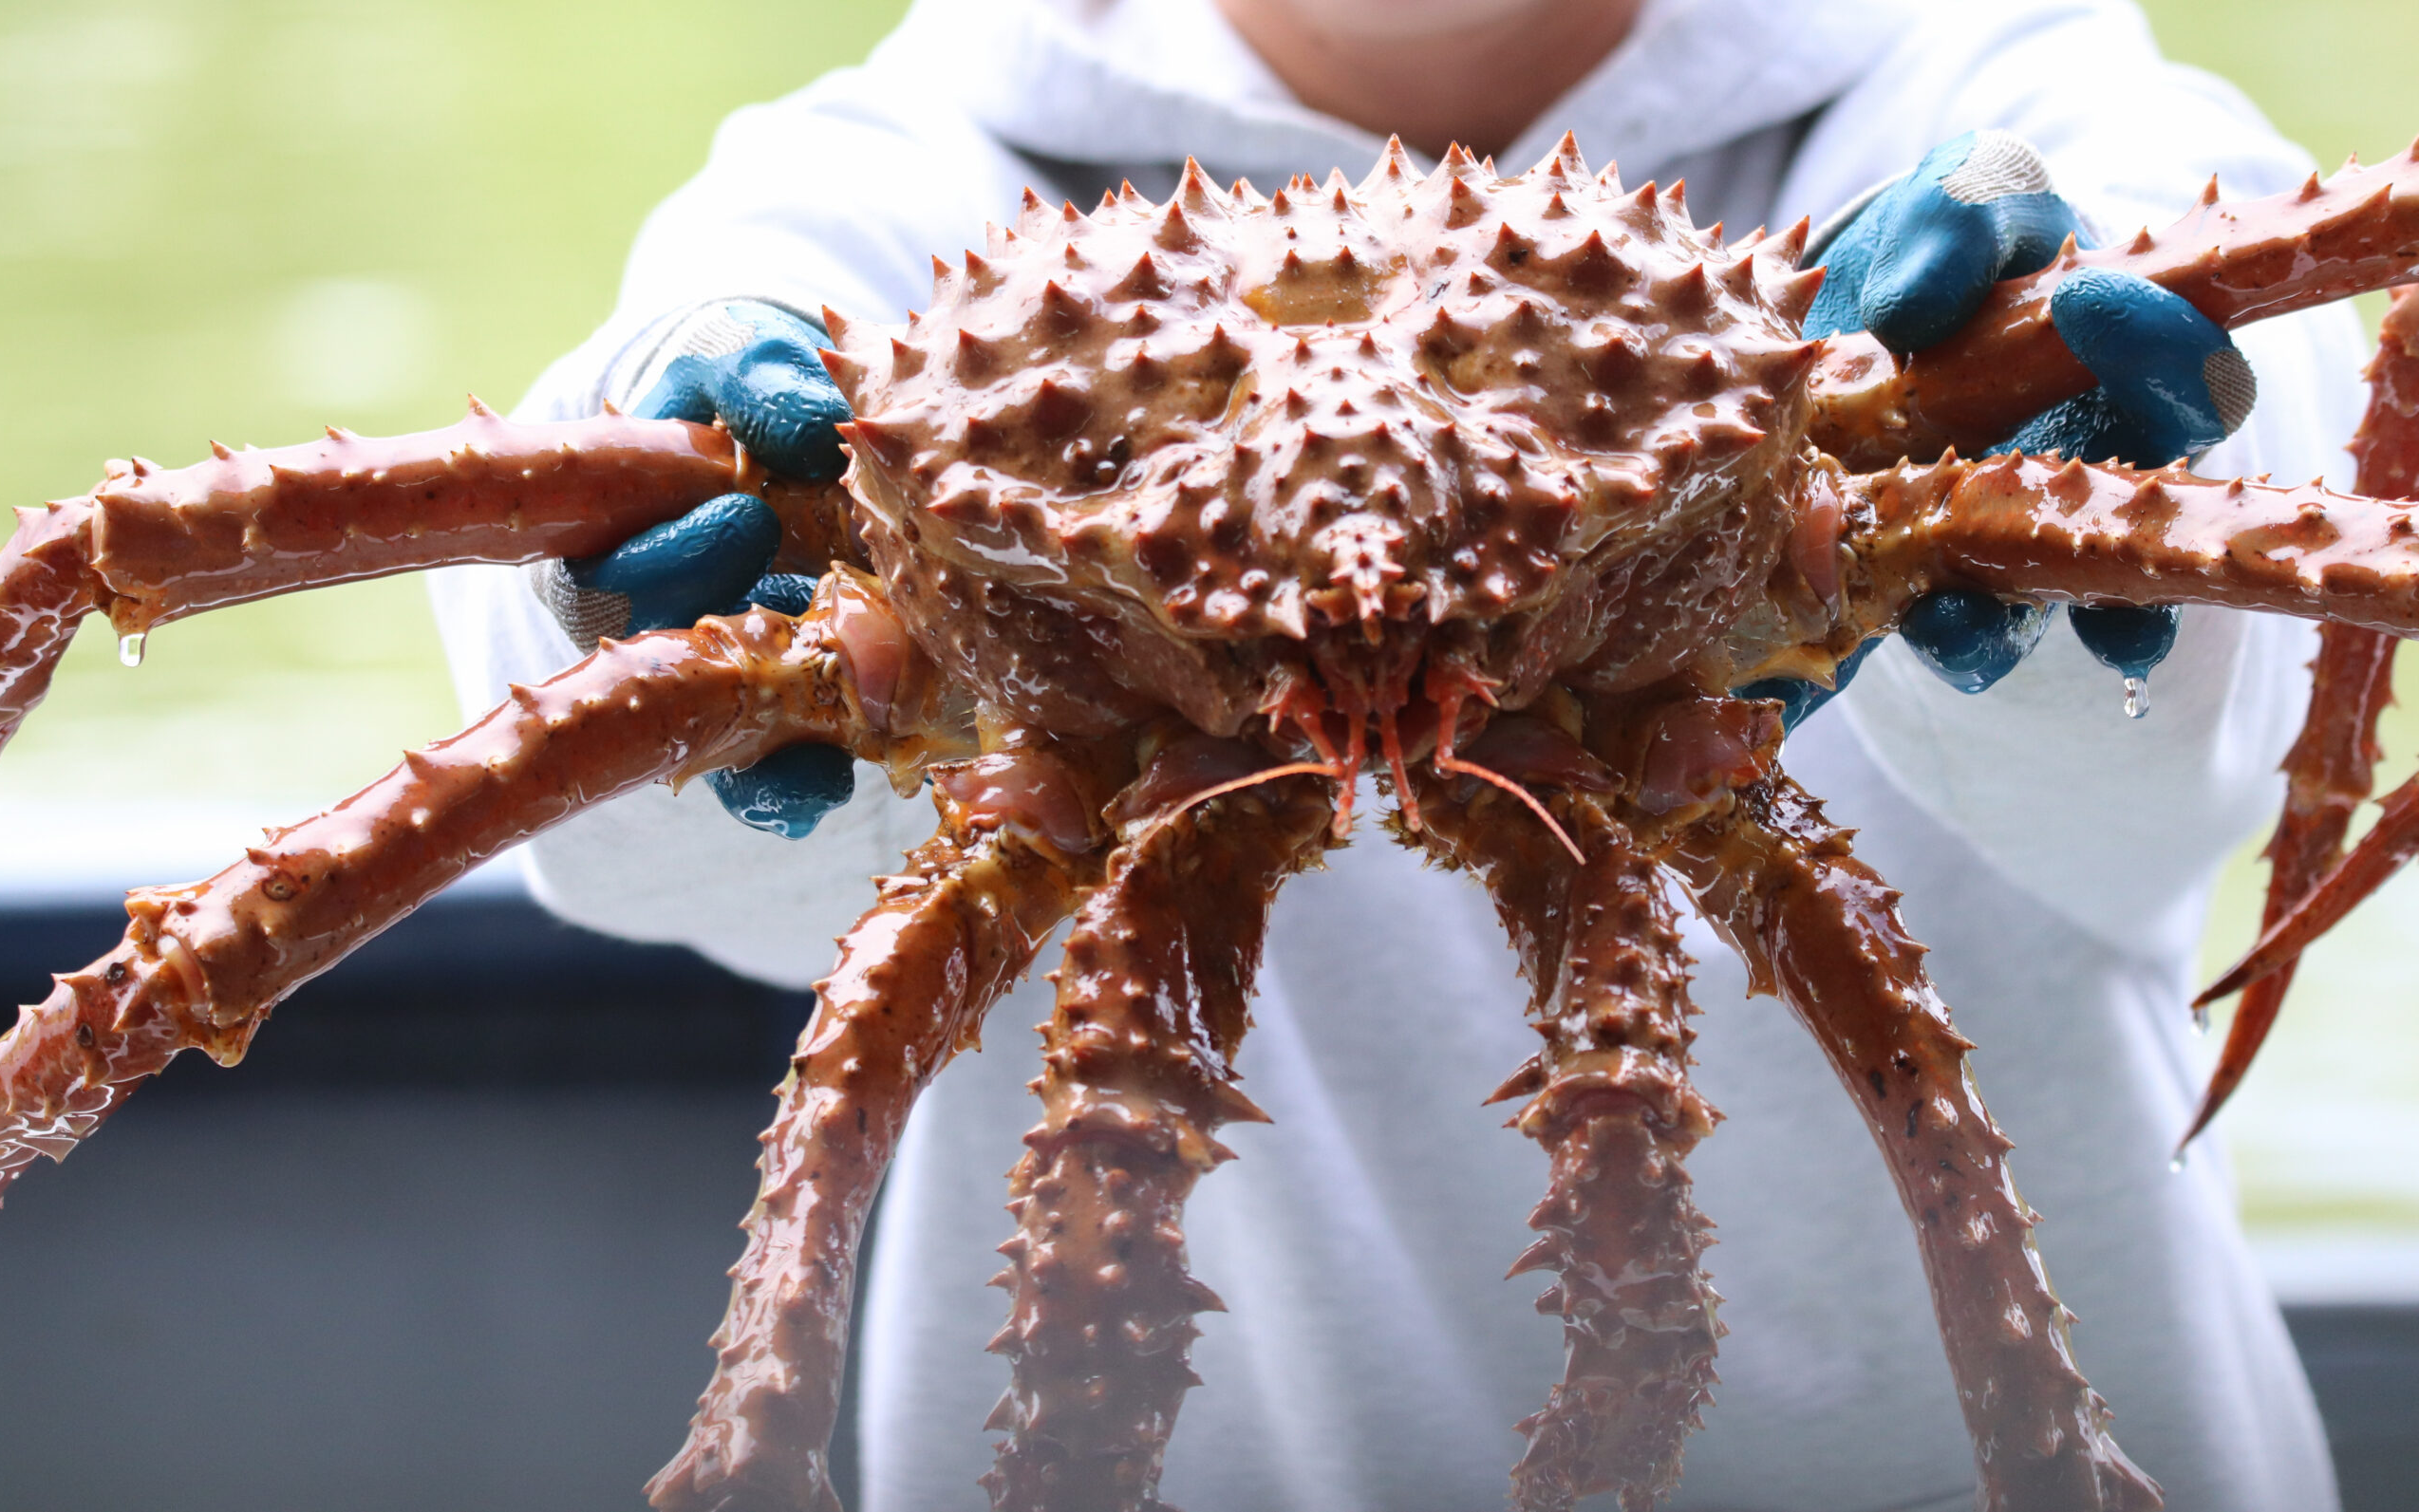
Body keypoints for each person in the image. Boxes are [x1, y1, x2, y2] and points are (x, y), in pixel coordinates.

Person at [428, 1, 2367, 1506]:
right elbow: (635, 824)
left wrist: (2128, 442)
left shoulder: (1983, 79)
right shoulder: (891, 187)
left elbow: (2198, 671)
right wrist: (618, 575)